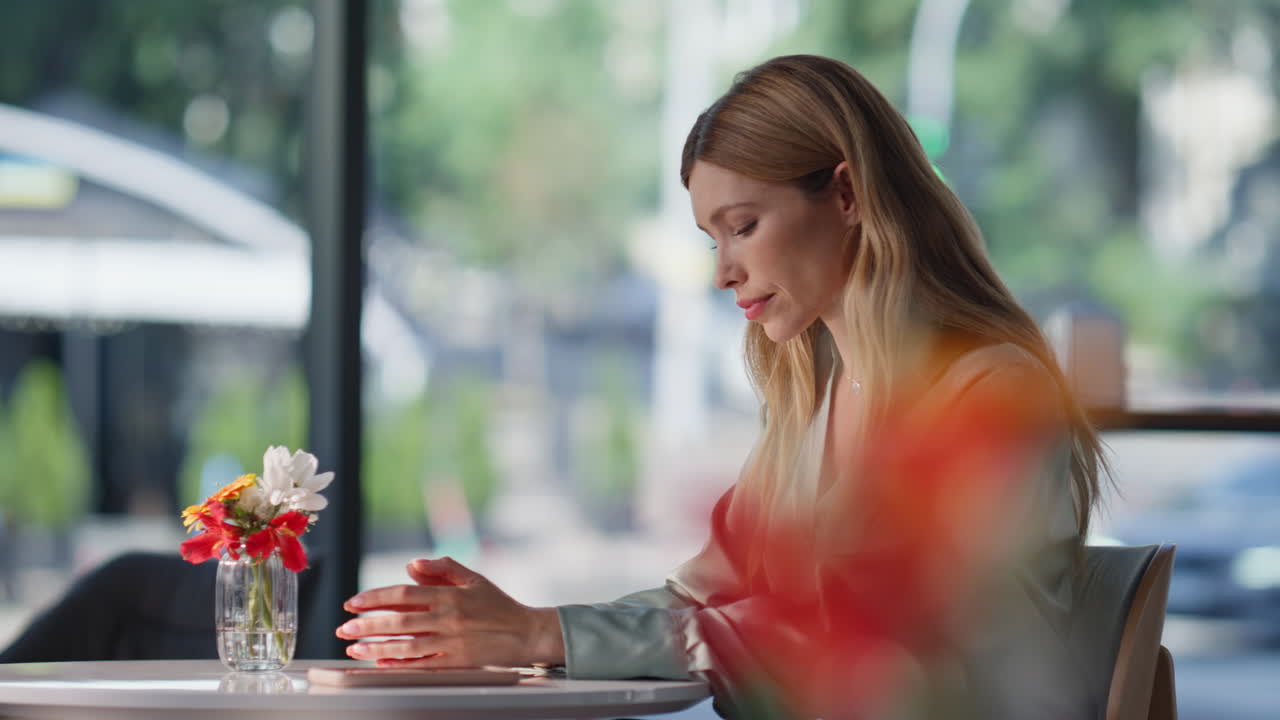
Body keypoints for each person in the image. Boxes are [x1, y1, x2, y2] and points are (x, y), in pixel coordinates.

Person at [335, 54, 1107, 719]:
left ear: (846, 195)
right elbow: (699, 600)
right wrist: (522, 625)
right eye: (713, 240)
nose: (723, 273)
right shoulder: (815, 402)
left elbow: (892, 650)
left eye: (743, 227)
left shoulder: (990, 397)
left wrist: (544, 636)